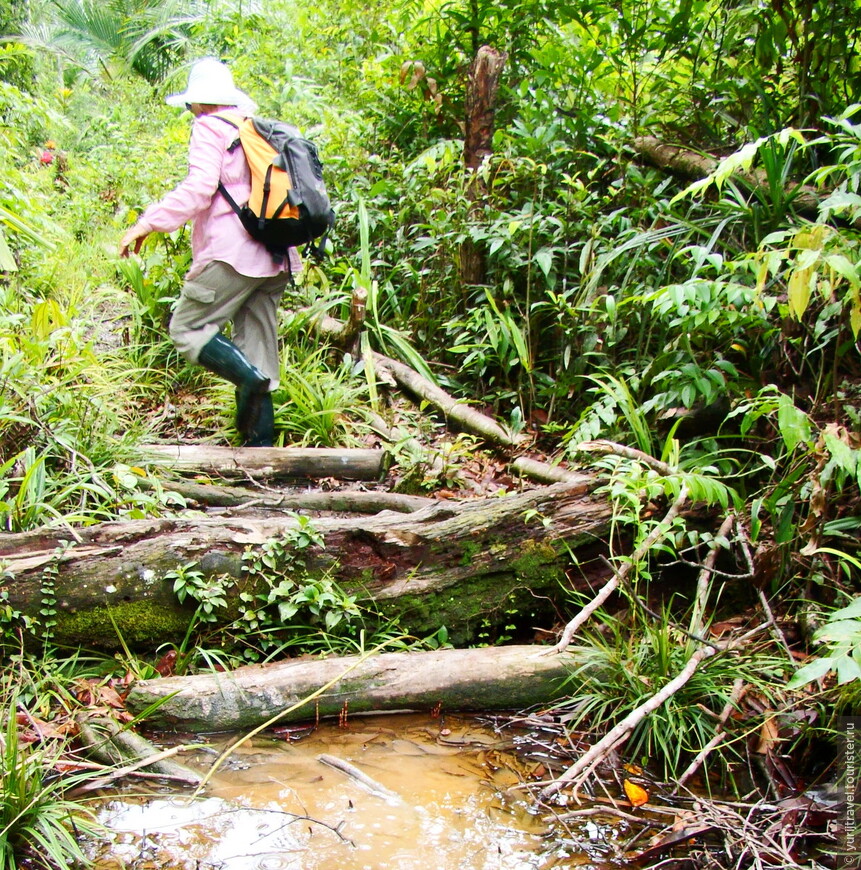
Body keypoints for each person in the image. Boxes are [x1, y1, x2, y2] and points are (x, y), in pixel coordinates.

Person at [119, 57, 300, 447]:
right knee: (260, 355)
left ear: (200, 103)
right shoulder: (258, 129)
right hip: (277, 255)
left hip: (232, 254)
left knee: (186, 328)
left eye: (190, 105)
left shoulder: (208, 127)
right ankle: (259, 458)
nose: (191, 112)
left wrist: (149, 221)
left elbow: (200, 188)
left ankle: (247, 381)